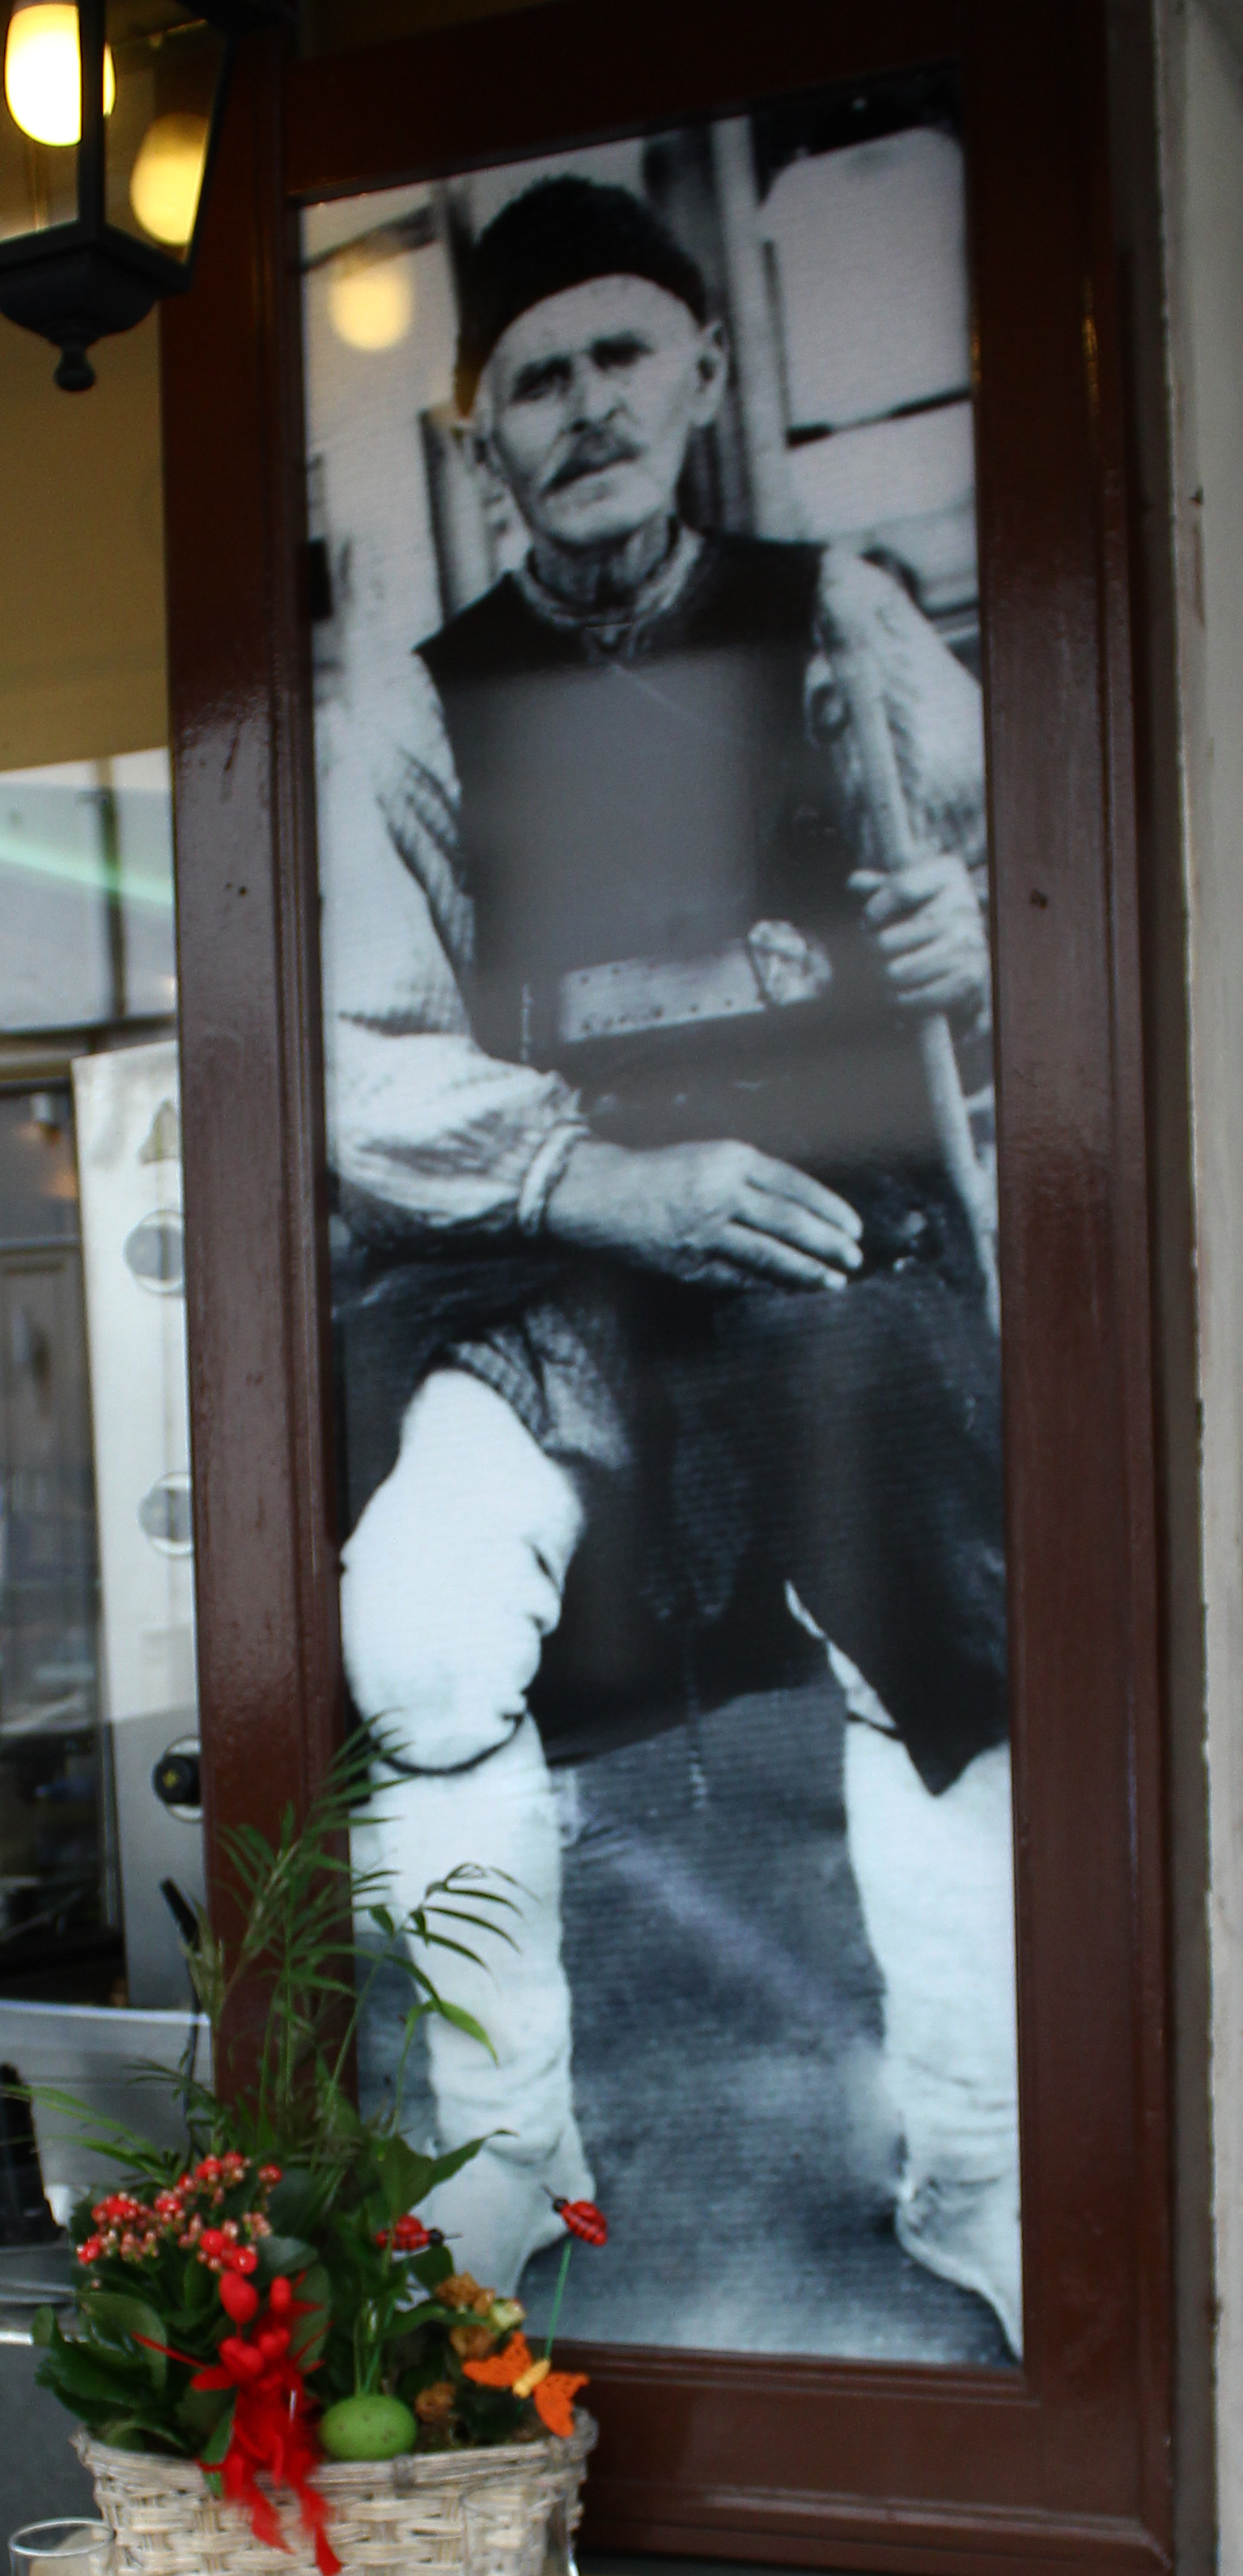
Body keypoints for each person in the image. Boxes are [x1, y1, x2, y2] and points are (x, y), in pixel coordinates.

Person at [325, 176, 1019, 2352]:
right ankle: (496, 2187)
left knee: (945, 1653)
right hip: (555, 1283)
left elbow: (1070, 902)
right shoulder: (415, 713)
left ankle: (981, 2173)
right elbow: (359, 1066)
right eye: (535, 378)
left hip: (827, 1255)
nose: (587, 406)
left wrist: (987, 935)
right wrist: (590, 1175)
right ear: (482, 433)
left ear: (702, 373)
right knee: (422, 1636)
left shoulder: (843, 624)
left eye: (622, 354)